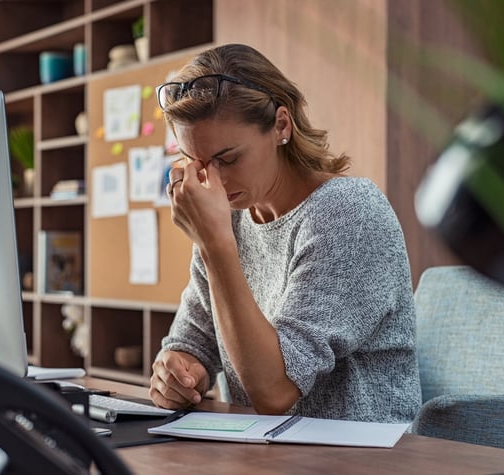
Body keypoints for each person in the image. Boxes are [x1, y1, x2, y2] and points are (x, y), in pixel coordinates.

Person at [150, 43, 421, 423]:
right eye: (197, 162)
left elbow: (274, 391)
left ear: (281, 125)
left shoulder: (348, 212)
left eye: (228, 159)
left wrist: (214, 245)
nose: (213, 180)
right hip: (265, 452)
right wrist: (177, 371)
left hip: (363, 456)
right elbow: (193, 340)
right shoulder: (229, 219)